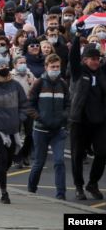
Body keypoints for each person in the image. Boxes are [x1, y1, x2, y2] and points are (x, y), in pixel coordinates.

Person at [0, 56, 31, 204]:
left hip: (13, 128)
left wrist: (20, 118)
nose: (3, 69)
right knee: (2, 159)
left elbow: (24, 104)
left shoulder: (15, 85)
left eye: (5, 66)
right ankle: (4, 193)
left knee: (8, 162)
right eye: (0, 66)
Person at [68, 32, 106, 201]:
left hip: (99, 120)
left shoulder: (102, 73)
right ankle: (78, 186)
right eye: (92, 58)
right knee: (77, 155)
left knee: (103, 152)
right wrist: (76, 37)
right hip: (80, 120)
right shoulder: (78, 72)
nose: (96, 61)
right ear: (85, 60)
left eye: (98, 59)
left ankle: (92, 183)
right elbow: (73, 56)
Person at [26, 53, 69, 200]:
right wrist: (40, 118)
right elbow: (29, 105)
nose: (55, 69)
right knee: (39, 162)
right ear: (46, 67)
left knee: (59, 161)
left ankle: (61, 194)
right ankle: (31, 189)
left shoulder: (63, 84)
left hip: (58, 130)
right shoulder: (39, 83)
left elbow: (68, 105)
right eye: (52, 67)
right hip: (40, 129)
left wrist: (63, 118)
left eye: (58, 67)